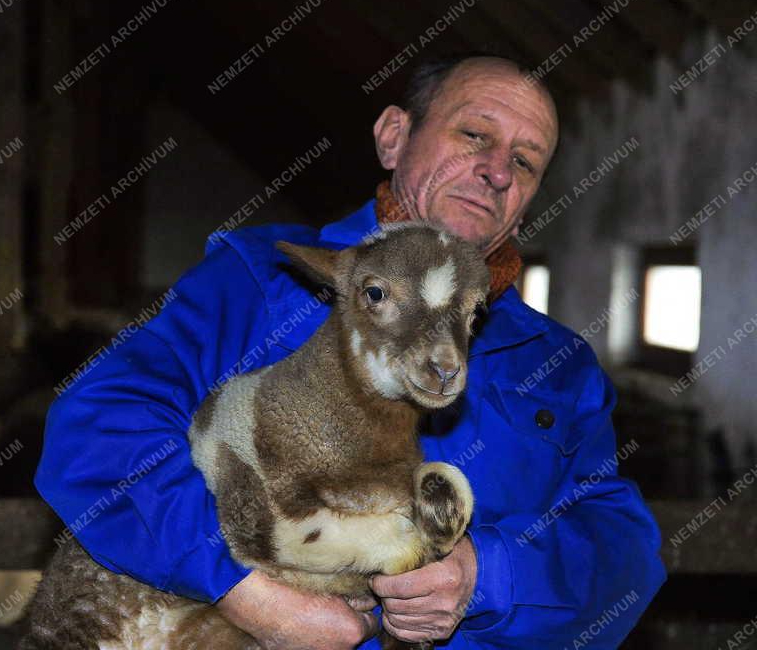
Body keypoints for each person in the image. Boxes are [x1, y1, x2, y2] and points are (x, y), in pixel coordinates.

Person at [33, 53, 667, 649]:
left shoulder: (554, 364)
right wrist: (240, 591)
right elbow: (99, 425)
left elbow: (623, 552)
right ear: (393, 137)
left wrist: (487, 576)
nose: (498, 171)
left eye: (525, 162)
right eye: (475, 135)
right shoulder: (260, 282)